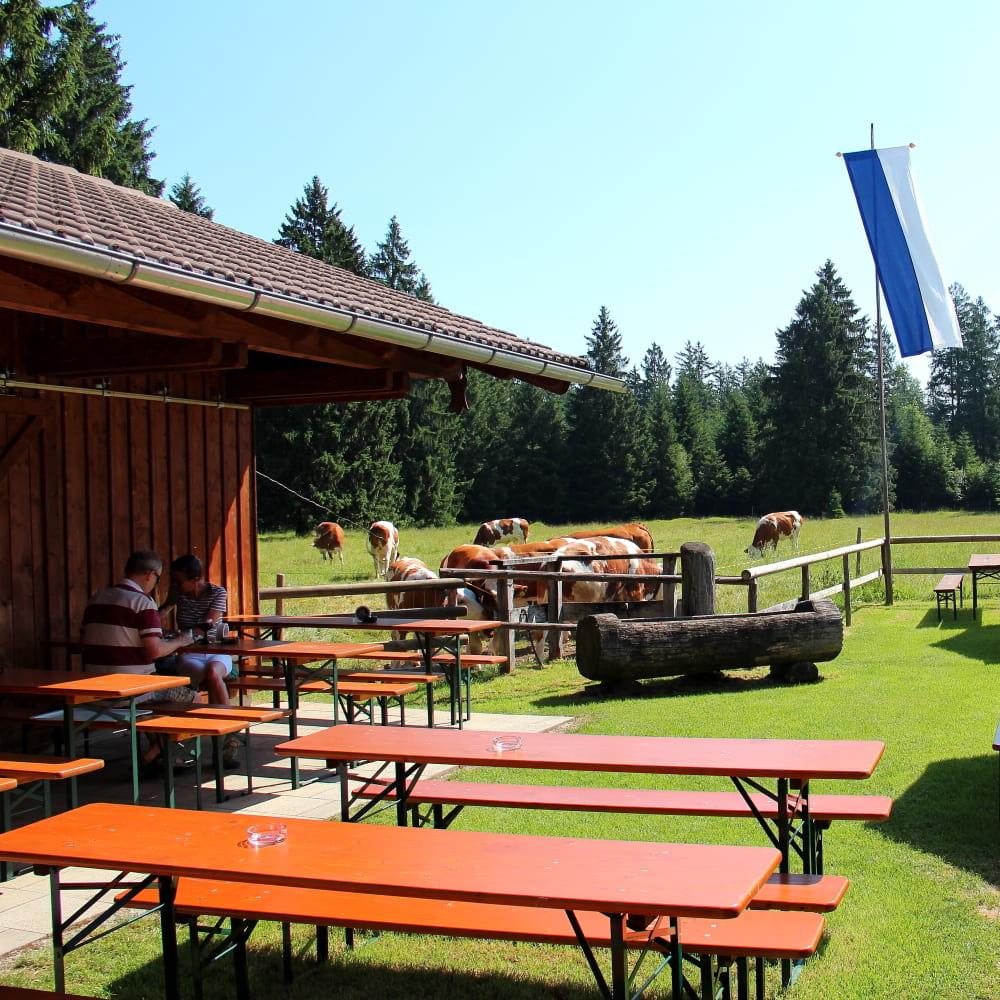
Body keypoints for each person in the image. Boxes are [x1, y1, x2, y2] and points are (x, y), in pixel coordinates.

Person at [81, 549, 195, 771]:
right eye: (158, 579)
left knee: (158, 701)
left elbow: (82, 641)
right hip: (132, 691)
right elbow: (154, 650)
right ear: (150, 574)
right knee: (196, 700)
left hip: (93, 690)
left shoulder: (96, 599)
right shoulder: (142, 603)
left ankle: (159, 753)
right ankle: (157, 754)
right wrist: (181, 641)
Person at [160, 554, 240, 768]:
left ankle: (226, 736)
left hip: (215, 649)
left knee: (213, 673)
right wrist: (169, 603)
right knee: (208, 676)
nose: (175, 585)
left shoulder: (217, 592)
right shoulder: (179, 596)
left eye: (178, 580)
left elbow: (208, 623)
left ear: (195, 579)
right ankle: (226, 738)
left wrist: (185, 635)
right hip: (188, 654)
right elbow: (155, 620)